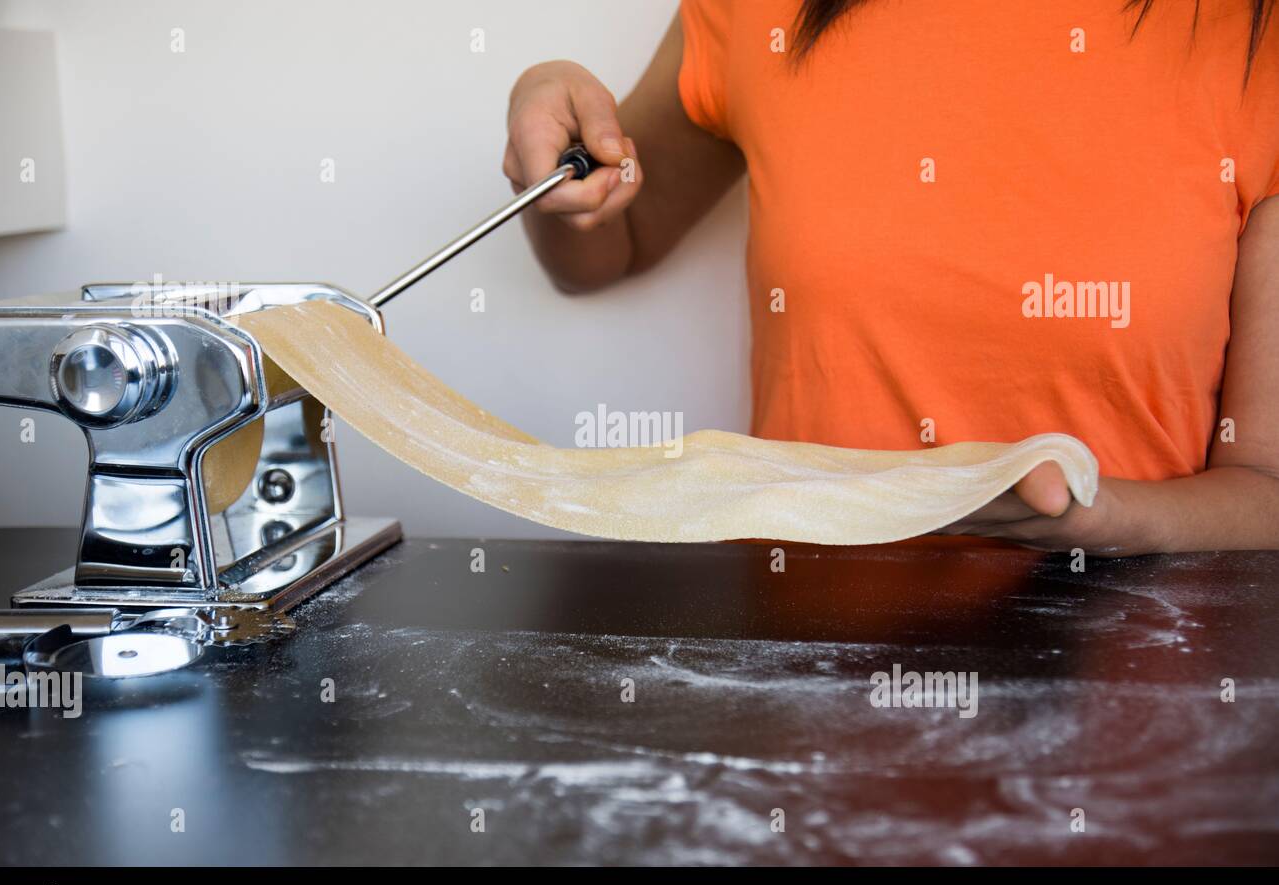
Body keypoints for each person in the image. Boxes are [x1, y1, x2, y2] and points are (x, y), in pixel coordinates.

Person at [501, 0, 1279, 555]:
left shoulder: (1257, 42)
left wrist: (1106, 521)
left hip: (1133, 698)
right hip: (806, 680)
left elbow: (1265, 486)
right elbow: (608, 249)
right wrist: (553, 151)